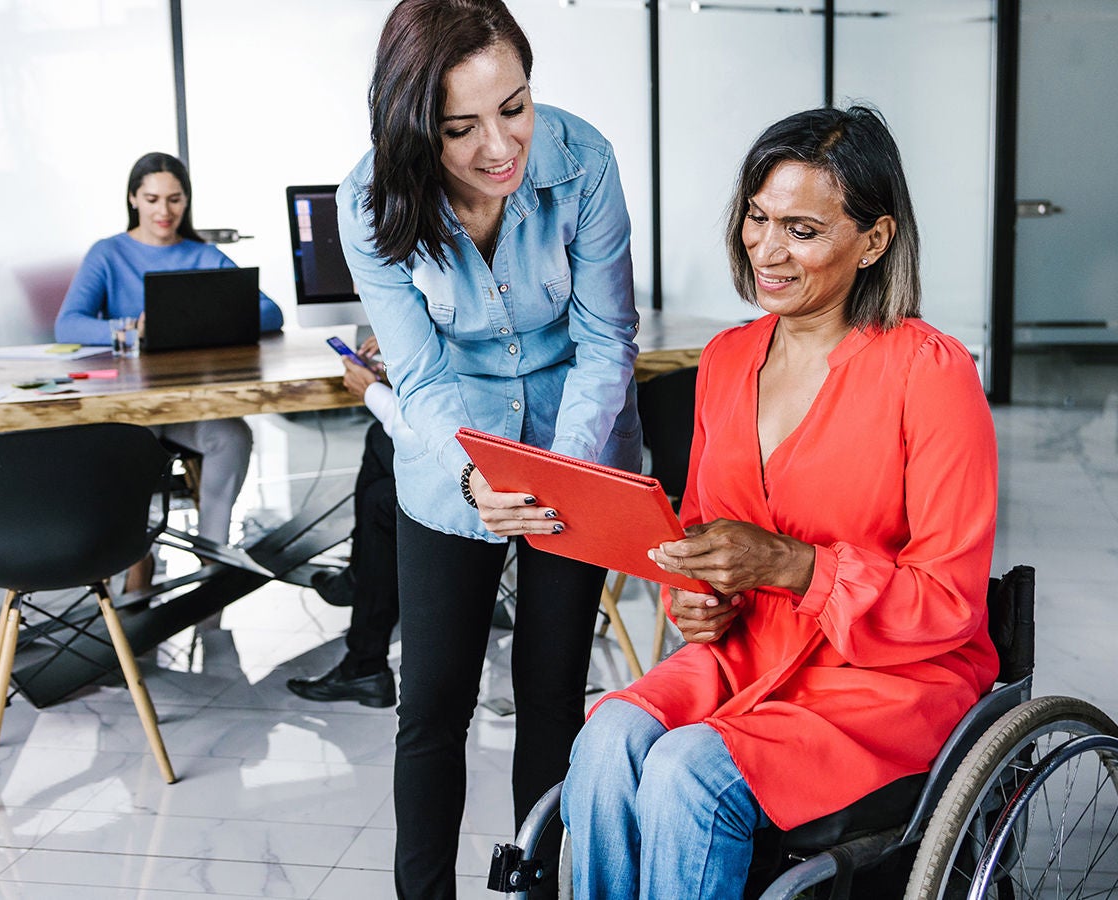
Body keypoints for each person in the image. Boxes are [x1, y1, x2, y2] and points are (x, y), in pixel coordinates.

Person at [559, 105, 1000, 898]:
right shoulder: (727, 360)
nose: (766, 248)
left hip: (886, 681)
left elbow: (949, 602)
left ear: (874, 240)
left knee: (687, 775)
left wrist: (796, 567)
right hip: (747, 653)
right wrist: (695, 598)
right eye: (757, 218)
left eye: (801, 229)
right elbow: (698, 527)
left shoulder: (930, 374)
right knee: (607, 741)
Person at [335, 0, 641, 896]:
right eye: (460, 128)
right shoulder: (369, 200)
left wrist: (561, 470)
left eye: (514, 106)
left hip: (575, 446)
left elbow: (607, 338)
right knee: (431, 709)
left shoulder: (583, 161)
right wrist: (475, 475)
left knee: (552, 696)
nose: (500, 147)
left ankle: (537, 887)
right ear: (411, 126)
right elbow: (419, 379)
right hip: (451, 457)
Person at [56, 152, 284, 589]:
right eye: (153, 198)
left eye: (175, 199)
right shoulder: (107, 254)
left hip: (186, 405)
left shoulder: (204, 255)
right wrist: (130, 328)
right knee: (131, 449)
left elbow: (271, 313)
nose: (164, 211)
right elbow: (68, 324)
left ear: (186, 201)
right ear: (133, 198)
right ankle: (137, 557)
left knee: (233, 436)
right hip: (129, 406)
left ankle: (212, 558)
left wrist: (213, 320)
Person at [288, 336, 402, 707]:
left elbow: (427, 431)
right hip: (485, 460)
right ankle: (364, 661)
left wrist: (373, 391)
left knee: (381, 504)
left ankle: (365, 662)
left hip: (485, 482)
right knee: (379, 479)